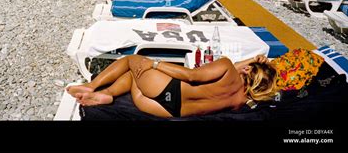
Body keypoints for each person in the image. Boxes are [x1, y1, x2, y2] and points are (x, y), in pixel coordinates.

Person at [67, 54, 277, 118]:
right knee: (134, 76)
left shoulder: (226, 66)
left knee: (133, 61)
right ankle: (109, 94)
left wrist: (155, 63)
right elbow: (234, 76)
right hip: (168, 109)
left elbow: (191, 75)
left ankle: (92, 86)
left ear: (249, 70)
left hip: (167, 90)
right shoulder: (239, 102)